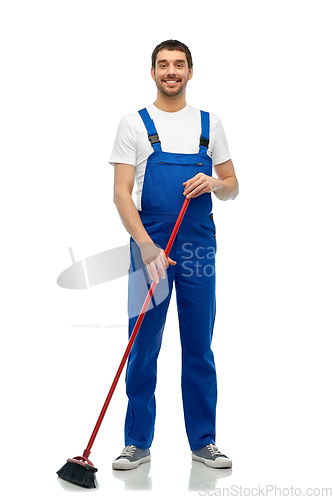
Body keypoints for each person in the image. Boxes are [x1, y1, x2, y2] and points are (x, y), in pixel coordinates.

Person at [109, 40, 238, 470]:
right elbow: (121, 195)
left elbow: (233, 185)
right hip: (150, 245)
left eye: (178, 65)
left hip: (199, 245)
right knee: (143, 344)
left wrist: (215, 184)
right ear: (153, 72)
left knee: (198, 345)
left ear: (190, 71)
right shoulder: (133, 124)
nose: (171, 71)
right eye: (163, 65)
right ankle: (136, 442)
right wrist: (146, 246)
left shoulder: (210, 124)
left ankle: (204, 441)